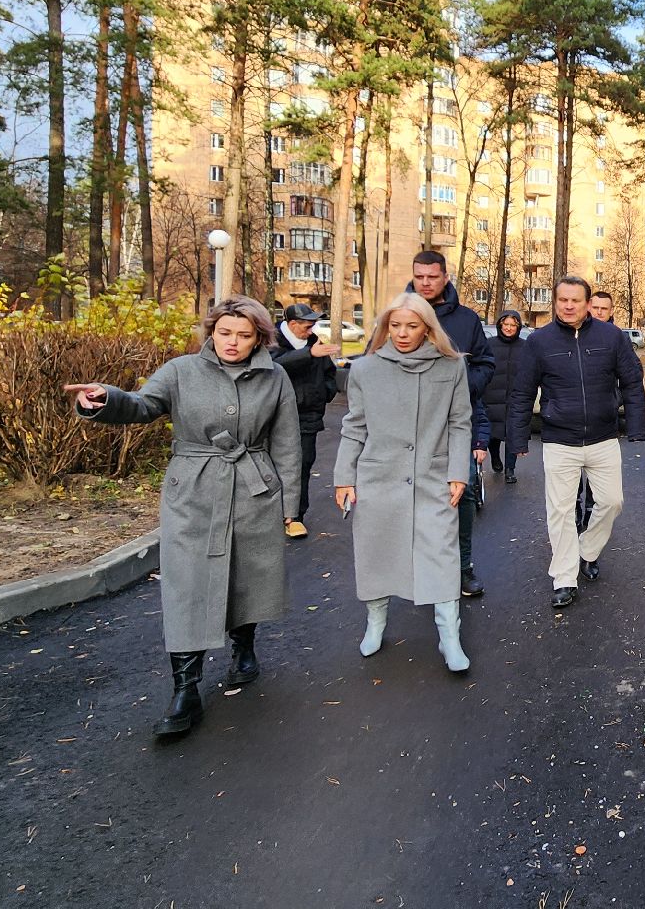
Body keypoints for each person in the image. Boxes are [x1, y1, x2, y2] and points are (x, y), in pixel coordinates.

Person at [65, 296, 300, 738]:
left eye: (244, 336)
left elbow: (287, 443)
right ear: (211, 331)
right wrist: (104, 400)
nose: (232, 343)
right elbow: (141, 405)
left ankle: (244, 648)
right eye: (225, 332)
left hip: (254, 488)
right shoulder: (180, 371)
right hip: (193, 491)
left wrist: (289, 508)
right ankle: (185, 688)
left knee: (246, 575)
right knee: (188, 582)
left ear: (260, 339)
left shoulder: (276, 376)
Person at [332, 292, 482, 672]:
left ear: (428, 328)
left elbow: (460, 422)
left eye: (412, 326)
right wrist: (343, 477)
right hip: (378, 477)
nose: (402, 333)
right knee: (377, 551)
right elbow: (354, 426)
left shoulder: (450, 368)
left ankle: (450, 637)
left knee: (442, 554)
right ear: (385, 327)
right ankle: (375, 623)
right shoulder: (365, 369)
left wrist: (457, 473)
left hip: (434, 478)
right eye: (395, 325)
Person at [507, 275, 645, 610]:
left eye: (575, 301)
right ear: (556, 302)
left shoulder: (611, 337)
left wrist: (637, 426)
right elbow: (523, 391)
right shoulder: (539, 342)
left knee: (612, 502)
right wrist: (517, 436)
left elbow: (631, 381)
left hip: (602, 438)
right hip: (559, 440)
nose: (569, 306)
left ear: (587, 303)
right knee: (560, 511)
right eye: (563, 300)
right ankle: (565, 578)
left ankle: (586, 551)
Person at [405, 250, 494, 597]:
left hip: (457, 422)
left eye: (432, 276)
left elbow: (486, 365)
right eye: (419, 276)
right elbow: (375, 359)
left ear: (445, 277)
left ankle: (463, 568)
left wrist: (458, 390)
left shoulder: (466, 320)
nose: (425, 283)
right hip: (410, 427)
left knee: (464, 492)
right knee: (412, 497)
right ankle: (420, 566)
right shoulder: (399, 314)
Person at [270, 303, 338, 538]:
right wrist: (308, 355)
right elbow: (273, 366)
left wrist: (325, 392)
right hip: (275, 416)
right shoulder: (272, 340)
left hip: (308, 415)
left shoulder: (313, 342)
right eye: (307, 327)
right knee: (271, 465)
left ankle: (295, 517)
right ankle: (269, 514)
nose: (311, 331)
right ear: (292, 325)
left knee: (303, 464)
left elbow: (329, 372)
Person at [577, 291, 623, 532]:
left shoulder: (617, 339)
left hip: (603, 424)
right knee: (572, 477)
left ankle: (591, 515)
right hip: (570, 425)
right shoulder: (572, 335)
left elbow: (632, 376)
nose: (598, 312)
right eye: (594, 307)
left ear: (611, 311)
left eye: (604, 309)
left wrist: (615, 400)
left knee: (602, 486)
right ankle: (575, 509)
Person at [482, 310, 525, 483]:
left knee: (512, 434)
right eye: (505, 324)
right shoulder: (489, 344)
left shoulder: (525, 347)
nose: (508, 328)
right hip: (492, 395)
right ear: (500, 325)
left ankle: (510, 469)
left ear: (518, 327)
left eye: (512, 325)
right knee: (493, 434)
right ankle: (495, 457)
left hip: (515, 396)